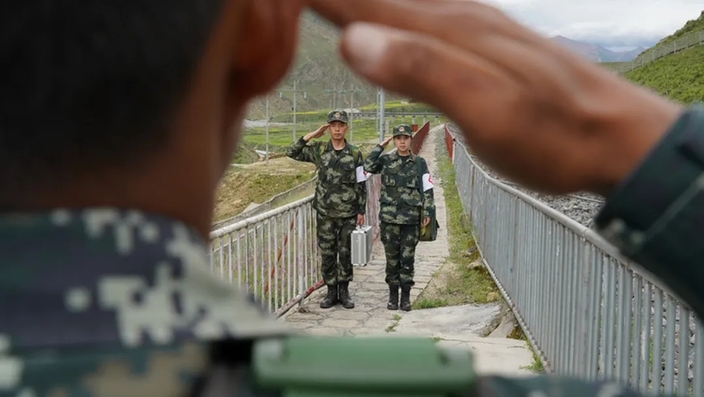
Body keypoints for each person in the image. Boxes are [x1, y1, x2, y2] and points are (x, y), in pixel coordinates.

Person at [0, 0, 700, 395]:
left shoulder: (378, 158)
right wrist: (639, 147)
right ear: (266, 42)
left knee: (390, 267)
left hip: (373, 220)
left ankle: (390, 302)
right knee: (343, 264)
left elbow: (397, 178)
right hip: (333, 218)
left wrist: (419, 203)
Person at [285, 109, 367, 309]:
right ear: (329, 128)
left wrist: (361, 211)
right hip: (325, 213)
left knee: (345, 253)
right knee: (328, 253)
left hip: (348, 213)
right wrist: (312, 135)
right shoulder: (319, 150)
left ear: (346, 128)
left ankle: (344, 291)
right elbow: (292, 152)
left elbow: (361, 184)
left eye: (341, 125)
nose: (337, 129)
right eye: (333, 125)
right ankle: (331, 292)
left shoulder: (355, 153)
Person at [364, 124, 435, 311]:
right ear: (394, 141)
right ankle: (392, 296)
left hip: (411, 220)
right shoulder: (386, 161)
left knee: (408, 259)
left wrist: (427, 211)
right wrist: (380, 147)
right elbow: (367, 166)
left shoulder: (420, 163)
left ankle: (405, 298)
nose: (402, 141)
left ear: (410, 140)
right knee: (392, 259)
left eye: (405, 138)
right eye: (398, 138)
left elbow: (427, 189)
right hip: (389, 220)